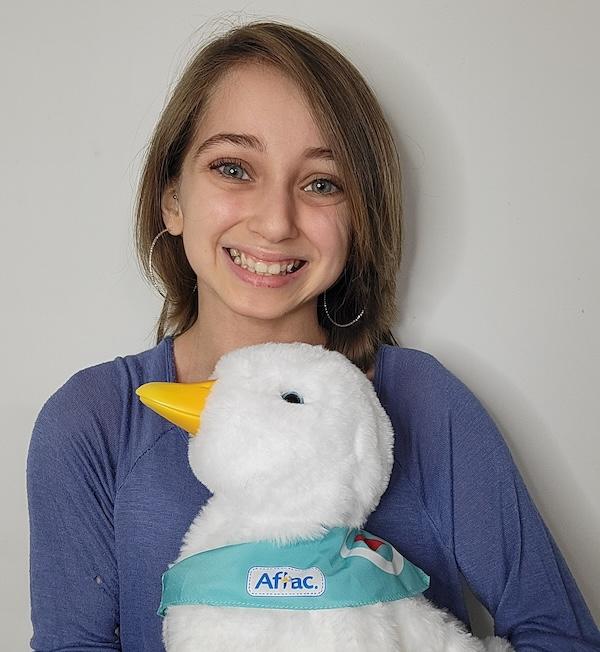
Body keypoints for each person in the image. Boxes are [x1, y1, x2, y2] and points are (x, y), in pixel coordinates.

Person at [27, 19, 600, 651]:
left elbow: (560, 636)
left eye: (321, 183)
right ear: (172, 199)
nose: (275, 222)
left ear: (360, 217)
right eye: (233, 168)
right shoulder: (94, 422)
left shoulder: (422, 402)